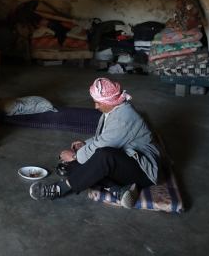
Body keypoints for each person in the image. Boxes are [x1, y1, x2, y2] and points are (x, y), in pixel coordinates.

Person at [29, 77, 160, 208]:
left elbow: (104, 146)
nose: (96, 106)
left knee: (103, 156)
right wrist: (85, 144)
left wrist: (75, 155)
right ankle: (117, 189)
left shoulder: (123, 119)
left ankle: (60, 188)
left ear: (109, 102)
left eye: (98, 103)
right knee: (73, 166)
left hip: (142, 171)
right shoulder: (115, 109)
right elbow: (105, 137)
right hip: (125, 164)